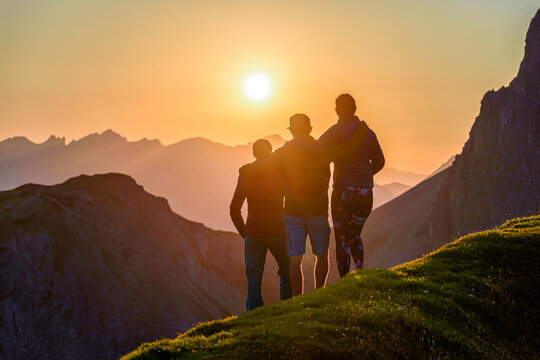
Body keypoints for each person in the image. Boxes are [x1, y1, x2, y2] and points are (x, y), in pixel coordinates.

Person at [290, 94, 385, 278]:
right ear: (355, 108)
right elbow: (380, 161)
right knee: (355, 234)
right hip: (365, 193)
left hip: (343, 191)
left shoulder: (335, 131)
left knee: (342, 237)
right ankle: (360, 272)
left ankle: (345, 279)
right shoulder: (368, 133)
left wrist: (295, 144)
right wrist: (364, 176)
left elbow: (316, 149)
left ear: (337, 110)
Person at [229, 139, 293, 311]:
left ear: (254, 153)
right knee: (286, 272)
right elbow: (291, 198)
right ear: (271, 153)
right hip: (276, 230)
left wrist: (245, 232)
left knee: (253, 276)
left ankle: (253, 312)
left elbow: (234, 209)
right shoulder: (278, 173)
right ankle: (286, 308)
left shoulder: (245, 175)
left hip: (253, 233)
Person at [272, 114, 331, 296]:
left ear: (292, 131)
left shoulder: (284, 151)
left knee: (294, 260)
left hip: (292, 212)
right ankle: (319, 294)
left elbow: (274, 173)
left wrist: (288, 191)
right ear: (310, 129)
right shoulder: (320, 149)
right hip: (317, 211)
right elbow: (326, 179)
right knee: (321, 255)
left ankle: (298, 299)